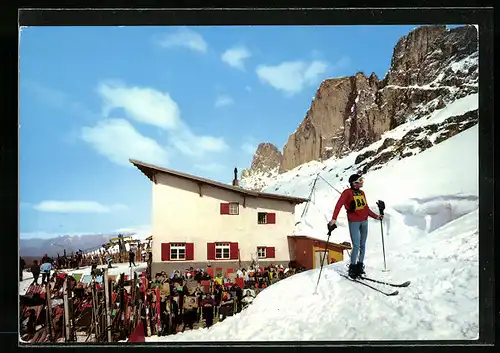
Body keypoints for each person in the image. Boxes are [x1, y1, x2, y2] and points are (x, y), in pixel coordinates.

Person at [328, 174, 383, 279]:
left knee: (363, 245)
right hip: (354, 222)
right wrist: (334, 218)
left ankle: (360, 266)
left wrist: (376, 216)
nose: (362, 182)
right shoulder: (347, 192)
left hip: (364, 221)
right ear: (354, 183)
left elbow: (365, 208)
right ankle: (352, 268)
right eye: (360, 180)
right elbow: (338, 205)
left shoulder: (362, 193)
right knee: (356, 245)